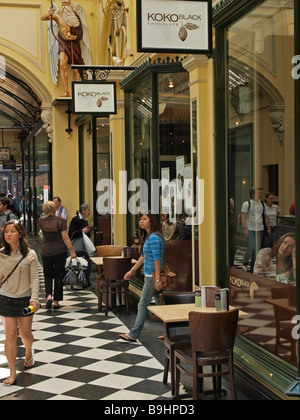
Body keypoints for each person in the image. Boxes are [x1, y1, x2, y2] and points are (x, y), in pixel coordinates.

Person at [0, 220, 40, 386]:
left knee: (25, 334)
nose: (8, 234)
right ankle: (12, 372)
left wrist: (35, 298)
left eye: (12, 231)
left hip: (24, 299)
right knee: (10, 335)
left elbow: (35, 277)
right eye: (6, 231)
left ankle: (29, 351)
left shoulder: (30, 254)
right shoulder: (1, 254)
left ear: (20, 234)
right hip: (5, 297)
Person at [119, 212, 165, 343]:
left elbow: (157, 260)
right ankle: (169, 332)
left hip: (152, 276)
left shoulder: (154, 238)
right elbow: (143, 256)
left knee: (142, 305)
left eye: (144, 219)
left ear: (152, 221)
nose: (141, 221)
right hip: (151, 275)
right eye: (140, 219)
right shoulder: (149, 237)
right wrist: (132, 271)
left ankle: (133, 334)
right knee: (161, 304)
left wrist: (156, 279)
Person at [38, 201, 76, 310]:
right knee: (58, 275)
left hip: (46, 250)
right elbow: (65, 238)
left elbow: (41, 235)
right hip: (60, 250)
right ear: (55, 209)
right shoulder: (61, 221)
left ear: (44, 210)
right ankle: (56, 302)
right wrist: (72, 251)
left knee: (47, 275)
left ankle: (49, 296)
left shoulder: (41, 221)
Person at [41, 0, 84, 97]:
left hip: (74, 44)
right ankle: (66, 90)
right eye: (63, 2)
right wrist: (49, 13)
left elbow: (80, 32)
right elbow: (43, 18)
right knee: (62, 63)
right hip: (63, 43)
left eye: (66, 1)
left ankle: (77, 91)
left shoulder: (76, 17)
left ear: (70, 3)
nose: (64, 3)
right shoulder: (57, 16)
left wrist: (75, 37)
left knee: (75, 68)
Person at [241, 187, 271, 273]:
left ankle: (252, 268)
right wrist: (245, 228)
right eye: (259, 193)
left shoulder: (262, 204)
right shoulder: (247, 204)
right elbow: (243, 216)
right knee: (252, 248)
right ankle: (245, 261)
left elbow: (265, 216)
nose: (261, 195)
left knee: (256, 250)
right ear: (253, 194)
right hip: (250, 229)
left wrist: (268, 228)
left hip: (260, 229)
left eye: (261, 193)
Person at [68, 204, 94, 284]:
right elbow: (71, 233)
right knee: (84, 262)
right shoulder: (76, 220)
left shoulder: (84, 220)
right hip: (77, 245)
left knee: (86, 262)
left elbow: (85, 235)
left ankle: (84, 280)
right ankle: (81, 280)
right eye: (88, 210)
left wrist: (90, 233)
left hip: (83, 245)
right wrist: (82, 231)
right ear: (83, 211)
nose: (89, 212)